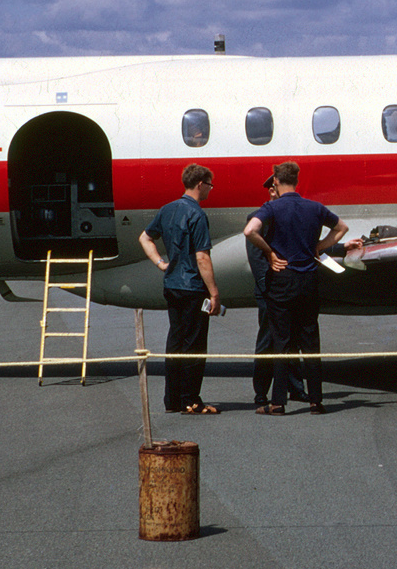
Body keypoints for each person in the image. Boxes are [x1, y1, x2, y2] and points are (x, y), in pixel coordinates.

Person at [243, 161, 349, 415]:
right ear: (296, 181)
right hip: (309, 280)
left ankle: (278, 402)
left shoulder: (271, 207)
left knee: (282, 340)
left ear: (276, 182)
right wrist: (319, 247)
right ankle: (315, 400)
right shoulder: (314, 207)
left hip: (282, 280)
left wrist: (269, 252)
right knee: (310, 339)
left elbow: (250, 231)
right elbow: (342, 228)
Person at [139, 164, 220, 415]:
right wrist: (214, 292)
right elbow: (202, 257)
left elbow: (145, 237)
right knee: (195, 344)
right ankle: (191, 399)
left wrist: (160, 263)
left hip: (172, 283)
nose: (210, 189)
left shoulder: (167, 209)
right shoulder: (197, 214)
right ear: (200, 184)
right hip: (194, 287)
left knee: (175, 341)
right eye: (210, 184)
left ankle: (172, 399)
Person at [248, 174, 308, 408]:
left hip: (289, 289)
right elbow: (257, 261)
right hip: (270, 293)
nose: (275, 193)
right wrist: (270, 291)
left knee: (291, 340)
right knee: (268, 341)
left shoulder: (290, 217)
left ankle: (296, 388)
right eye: (272, 190)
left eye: (277, 189)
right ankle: (261, 393)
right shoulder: (257, 219)